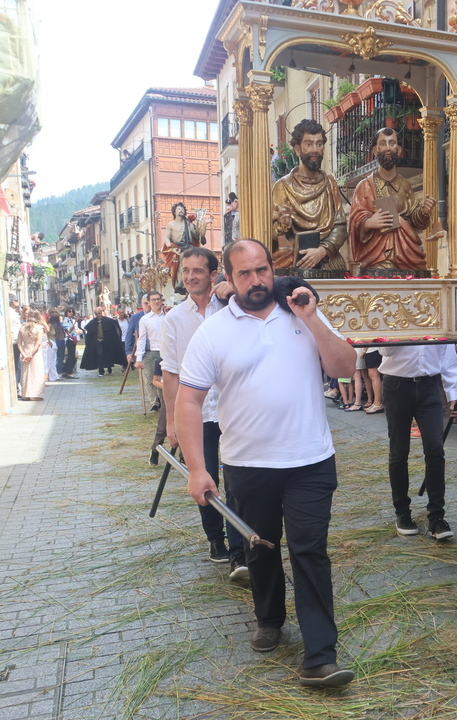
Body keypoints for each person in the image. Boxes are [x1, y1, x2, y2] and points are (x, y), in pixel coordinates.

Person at [176, 239, 356, 686]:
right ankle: (269, 617)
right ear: (229, 279)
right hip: (247, 464)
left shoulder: (303, 312)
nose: (256, 280)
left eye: (262, 270)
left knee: (310, 550)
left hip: (310, 459)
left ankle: (320, 655)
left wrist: (311, 318)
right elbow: (189, 401)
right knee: (261, 546)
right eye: (245, 273)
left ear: (273, 269)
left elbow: (345, 367)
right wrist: (198, 469)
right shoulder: (214, 331)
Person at [161, 247, 246, 577]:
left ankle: (240, 553)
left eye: (197, 270)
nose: (190, 276)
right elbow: (170, 373)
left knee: (237, 482)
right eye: (186, 270)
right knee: (205, 478)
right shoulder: (174, 318)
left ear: (213, 274)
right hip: (196, 414)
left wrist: (233, 290)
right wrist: (171, 421)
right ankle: (215, 539)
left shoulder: (230, 306)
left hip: (233, 410)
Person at [378, 342, 457, 538]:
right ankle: (402, 513)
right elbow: (385, 350)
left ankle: (437, 516)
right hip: (397, 384)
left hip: (430, 385)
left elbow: (447, 351)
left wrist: (453, 392)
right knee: (399, 452)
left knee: (435, 450)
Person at [348, 128, 436, 272]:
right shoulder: (364, 186)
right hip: (377, 258)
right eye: (383, 143)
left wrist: (424, 212)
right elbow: (354, 223)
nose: (388, 148)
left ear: (399, 150)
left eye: (392, 143)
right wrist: (368, 223)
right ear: (375, 150)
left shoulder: (405, 185)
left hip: (407, 255)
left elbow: (415, 221)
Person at [272, 119, 347, 269]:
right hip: (296, 261)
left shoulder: (330, 183)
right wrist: (283, 224)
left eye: (319, 144)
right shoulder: (283, 187)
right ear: (297, 149)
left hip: (328, 260)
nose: (315, 150)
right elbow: (272, 234)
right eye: (308, 144)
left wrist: (323, 250)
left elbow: (341, 226)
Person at [135, 291, 165, 411]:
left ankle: (165, 404)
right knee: (155, 378)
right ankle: (157, 403)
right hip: (155, 352)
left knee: (167, 379)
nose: (156, 301)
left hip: (169, 352)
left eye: (158, 299)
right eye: (153, 299)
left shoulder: (168, 316)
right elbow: (142, 339)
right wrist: (138, 359)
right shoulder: (145, 319)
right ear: (149, 302)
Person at [80, 306, 126, 376]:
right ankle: (101, 370)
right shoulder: (92, 323)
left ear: (101, 313)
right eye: (96, 314)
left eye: (99, 313)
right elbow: (89, 334)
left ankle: (109, 366)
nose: (98, 315)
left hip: (107, 341)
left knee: (108, 354)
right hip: (98, 341)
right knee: (99, 354)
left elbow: (114, 332)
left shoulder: (109, 321)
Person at [16, 310, 48, 401]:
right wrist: (31, 355)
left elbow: (19, 342)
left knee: (26, 373)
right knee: (37, 372)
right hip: (35, 352)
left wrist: (23, 353)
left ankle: (26, 394)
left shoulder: (22, 327)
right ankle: (37, 394)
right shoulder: (39, 328)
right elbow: (38, 343)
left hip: (25, 350)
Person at [9, 298, 22, 394]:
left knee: (17, 365)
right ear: (13, 302)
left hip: (16, 340)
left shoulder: (12, 312)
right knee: (16, 365)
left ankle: (16, 386)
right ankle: (15, 387)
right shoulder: (10, 312)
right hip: (13, 341)